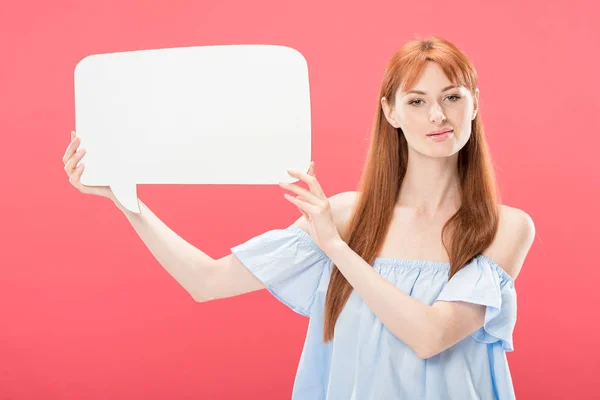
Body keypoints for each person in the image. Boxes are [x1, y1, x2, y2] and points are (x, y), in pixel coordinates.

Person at [62, 36, 535, 399]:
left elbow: (430, 336)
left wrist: (336, 248)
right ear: (389, 111)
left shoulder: (505, 227)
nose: (438, 114)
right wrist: (125, 201)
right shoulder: (347, 215)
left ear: (474, 101)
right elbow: (206, 281)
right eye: (416, 100)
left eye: (452, 96)